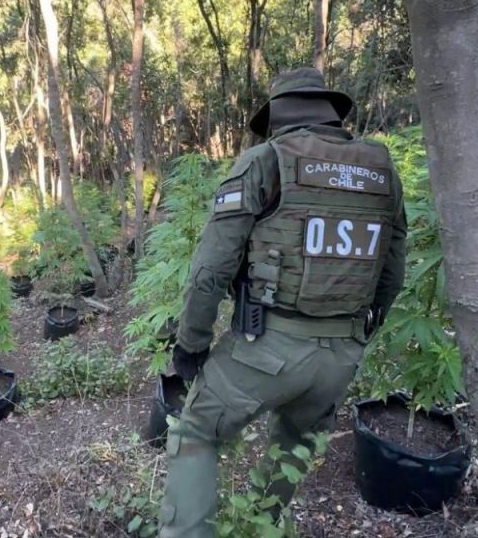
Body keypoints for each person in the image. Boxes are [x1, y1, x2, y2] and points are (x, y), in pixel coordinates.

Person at [159, 67, 407, 537]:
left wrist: (190, 346)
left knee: (195, 432)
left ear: (278, 116)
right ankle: (262, 524)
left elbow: (210, 271)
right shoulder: (381, 169)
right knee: (296, 440)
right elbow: (392, 271)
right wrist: (356, 336)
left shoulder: (266, 161)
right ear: (329, 113)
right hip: (342, 354)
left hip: (269, 350)